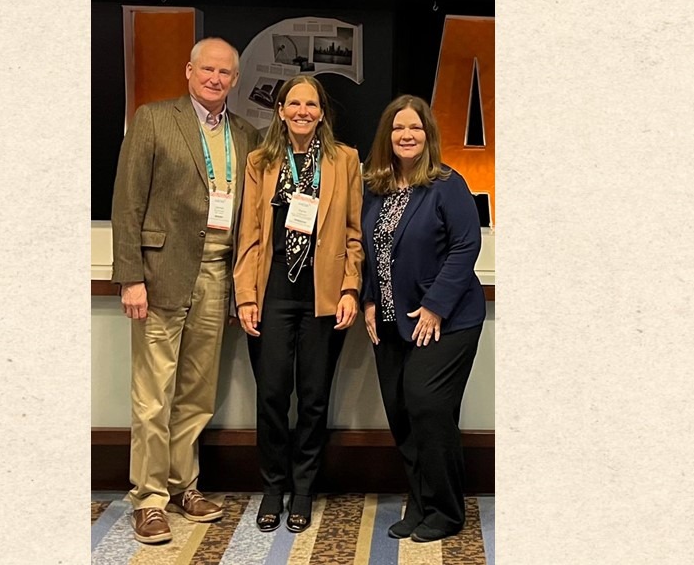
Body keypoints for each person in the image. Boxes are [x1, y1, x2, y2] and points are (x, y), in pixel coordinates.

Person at [110, 37, 261, 545]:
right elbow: (127, 202)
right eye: (208, 70)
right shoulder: (154, 119)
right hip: (159, 276)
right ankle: (149, 499)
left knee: (197, 393)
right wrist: (130, 276)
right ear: (189, 71)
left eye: (225, 73)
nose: (216, 79)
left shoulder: (245, 134)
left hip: (218, 275)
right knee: (153, 396)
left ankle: (183, 485)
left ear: (235, 81)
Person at [233, 75, 363, 534]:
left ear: (321, 112)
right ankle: (273, 487)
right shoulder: (260, 161)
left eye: (311, 104)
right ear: (281, 110)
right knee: (270, 396)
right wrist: (245, 296)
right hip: (273, 294)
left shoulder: (344, 160)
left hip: (322, 296)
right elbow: (249, 233)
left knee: (312, 398)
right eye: (294, 103)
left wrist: (350, 288)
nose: (303, 111)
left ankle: (303, 489)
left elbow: (353, 231)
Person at [360, 95, 486, 543]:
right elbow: (373, 252)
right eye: (397, 129)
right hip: (392, 321)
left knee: (426, 404)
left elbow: (466, 246)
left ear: (427, 135)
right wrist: (370, 299)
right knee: (400, 410)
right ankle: (421, 501)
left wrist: (434, 304)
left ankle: (447, 510)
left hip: (446, 320)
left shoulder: (447, 184)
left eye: (414, 128)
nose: (406, 135)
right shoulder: (375, 185)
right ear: (387, 136)